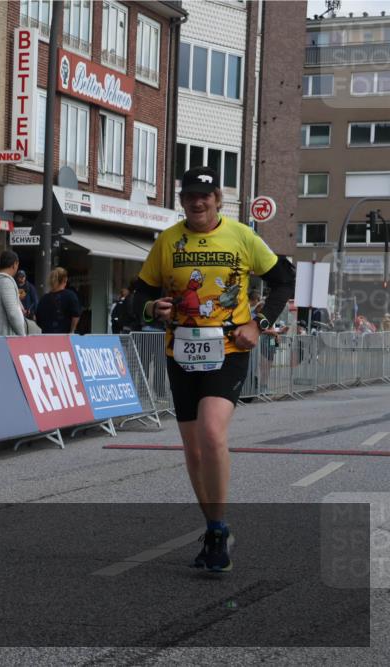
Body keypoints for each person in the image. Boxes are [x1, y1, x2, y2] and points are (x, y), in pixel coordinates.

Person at [131, 166, 295, 573]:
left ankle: (219, 530)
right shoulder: (168, 241)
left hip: (228, 349)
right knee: (193, 449)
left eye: (205, 196)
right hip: (180, 351)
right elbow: (140, 296)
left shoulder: (241, 235)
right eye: (190, 196)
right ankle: (214, 525)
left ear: (218, 199)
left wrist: (257, 324)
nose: (197, 202)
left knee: (210, 432)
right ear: (181, 200)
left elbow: (283, 281)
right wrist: (153, 308)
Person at [0, 250, 27, 336]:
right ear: (14, 264)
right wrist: (23, 335)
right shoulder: (6, 282)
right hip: (5, 339)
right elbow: (13, 314)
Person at [35, 267, 81, 334]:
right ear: (65, 280)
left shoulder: (43, 299)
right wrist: (72, 331)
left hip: (47, 337)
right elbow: (76, 315)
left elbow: (38, 320)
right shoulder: (71, 296)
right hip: (65, 338)